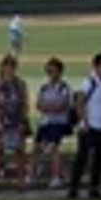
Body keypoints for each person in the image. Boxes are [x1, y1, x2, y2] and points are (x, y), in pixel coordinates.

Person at [68, 53, 101, 200]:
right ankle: (74, 187)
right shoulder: (89, 82)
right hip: (90, 125)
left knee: (99, 158)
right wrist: (83, 121)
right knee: (82, 158)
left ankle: (94, 187)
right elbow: (80, 102)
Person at [0, 54, 29, 189]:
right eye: (6, 68)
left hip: (16, 120)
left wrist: (23, 121)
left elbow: (24, 103)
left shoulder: (20, 84)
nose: (9, 71)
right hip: (2, 121)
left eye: (12, 68)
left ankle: (21, 180)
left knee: (19, 152)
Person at [34, 57, 72, 188]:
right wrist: (49, 107)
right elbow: (38, 104)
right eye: (49, 71)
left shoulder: (63, 87)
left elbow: (62, 105)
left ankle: (56, 176)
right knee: (37, 147)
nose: (51, 74)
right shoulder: (44, 88)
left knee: (53, 147)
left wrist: (48, 107)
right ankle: (34, 173)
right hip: (45, 122)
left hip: (58, 123)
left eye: (54, 71)